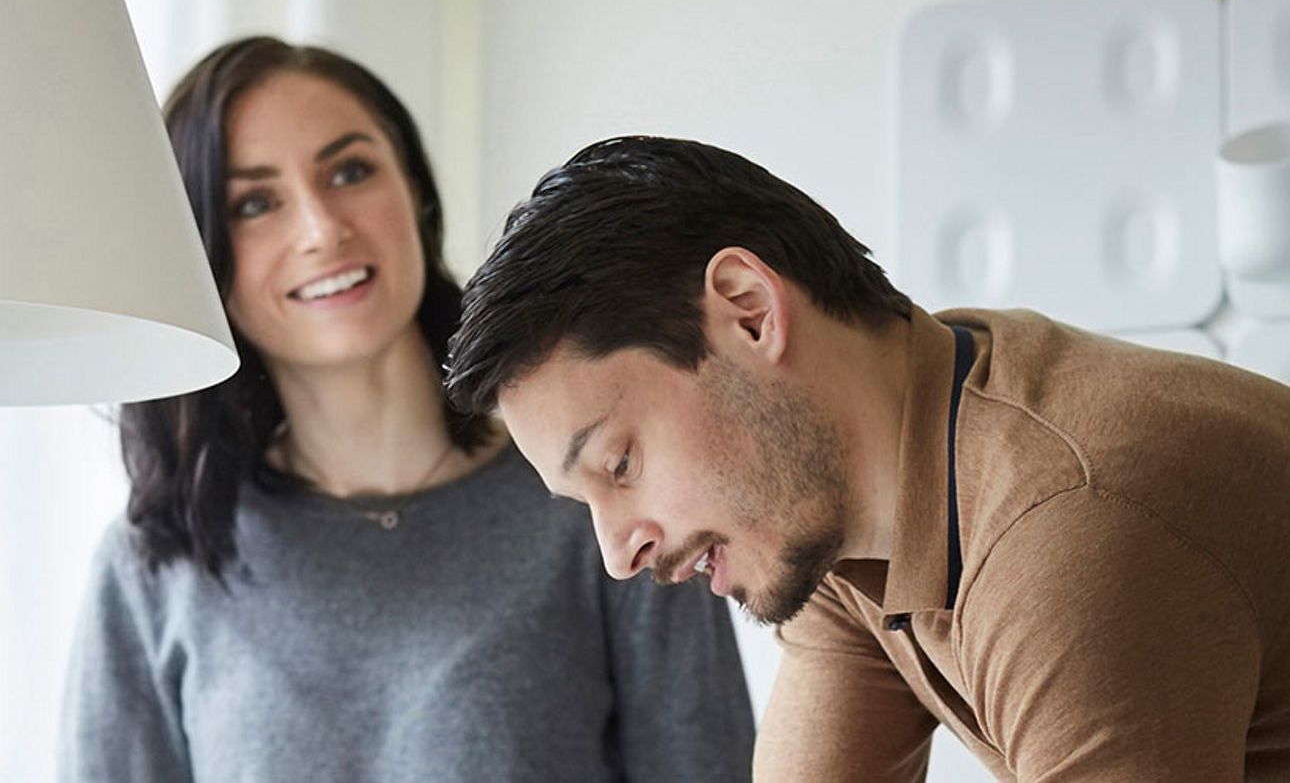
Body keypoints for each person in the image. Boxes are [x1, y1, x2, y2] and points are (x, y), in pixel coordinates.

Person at [444, 135, 1290, 782]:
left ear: (747, 311)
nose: (618, 554)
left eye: (620, 465)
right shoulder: (847, 519)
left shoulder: (1068, 524)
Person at [59, 43, 755, 782]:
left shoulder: (605, 508)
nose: (322, 229)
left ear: (416, 193)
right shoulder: (155, 564)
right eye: (254, 203)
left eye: (349, 171)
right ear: (200, 254)